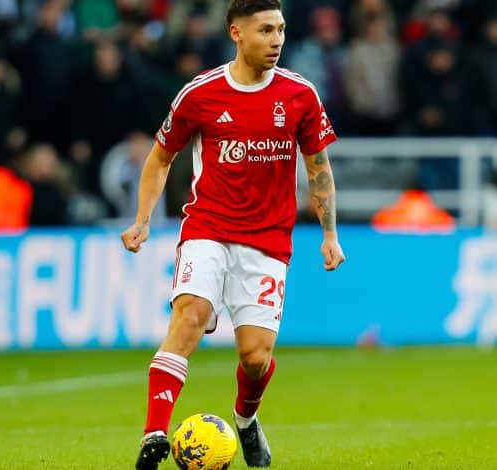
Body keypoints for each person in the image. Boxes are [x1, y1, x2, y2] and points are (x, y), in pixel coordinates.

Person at [121, 1, 346, 469]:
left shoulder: (300, 95)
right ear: (237, 33)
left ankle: (246, 419)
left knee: (255, 358)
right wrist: (142, 218)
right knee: (190, 316)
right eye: (265, 30)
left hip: (268, 240)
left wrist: (330, 233)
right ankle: (154, 433)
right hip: (208, 227)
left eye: (280, 29)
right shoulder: (200, 94)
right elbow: (161, 157)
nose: (276, 40)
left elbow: (318, 168)